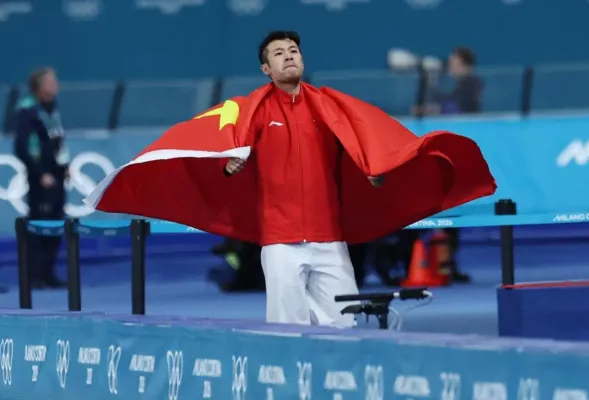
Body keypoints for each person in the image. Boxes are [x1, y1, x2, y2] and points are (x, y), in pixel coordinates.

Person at [85, 31, 496, 327]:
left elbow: (364, 141)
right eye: (278, 54)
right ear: (266, 68)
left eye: (294, 51)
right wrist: (229, 166)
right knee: (288, 330)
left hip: (328, 238)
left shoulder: (331, 107)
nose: (289, 57)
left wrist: (373, 169)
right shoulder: (252, 110)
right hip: (280, 242)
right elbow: (227, 143)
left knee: (344, 326)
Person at [14, 67, 68, 289]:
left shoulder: (53, 108)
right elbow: (21, 147)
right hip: (40, 177)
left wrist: (64, 166)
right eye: (51, 81)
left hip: (56, 174)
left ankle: (48, 272)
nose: (56, 85)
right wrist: (40, 173)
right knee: (38, 224)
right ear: (40, 87)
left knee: (57, 222)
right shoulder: (28, 111)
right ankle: (32, 274)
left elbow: (57, 140)